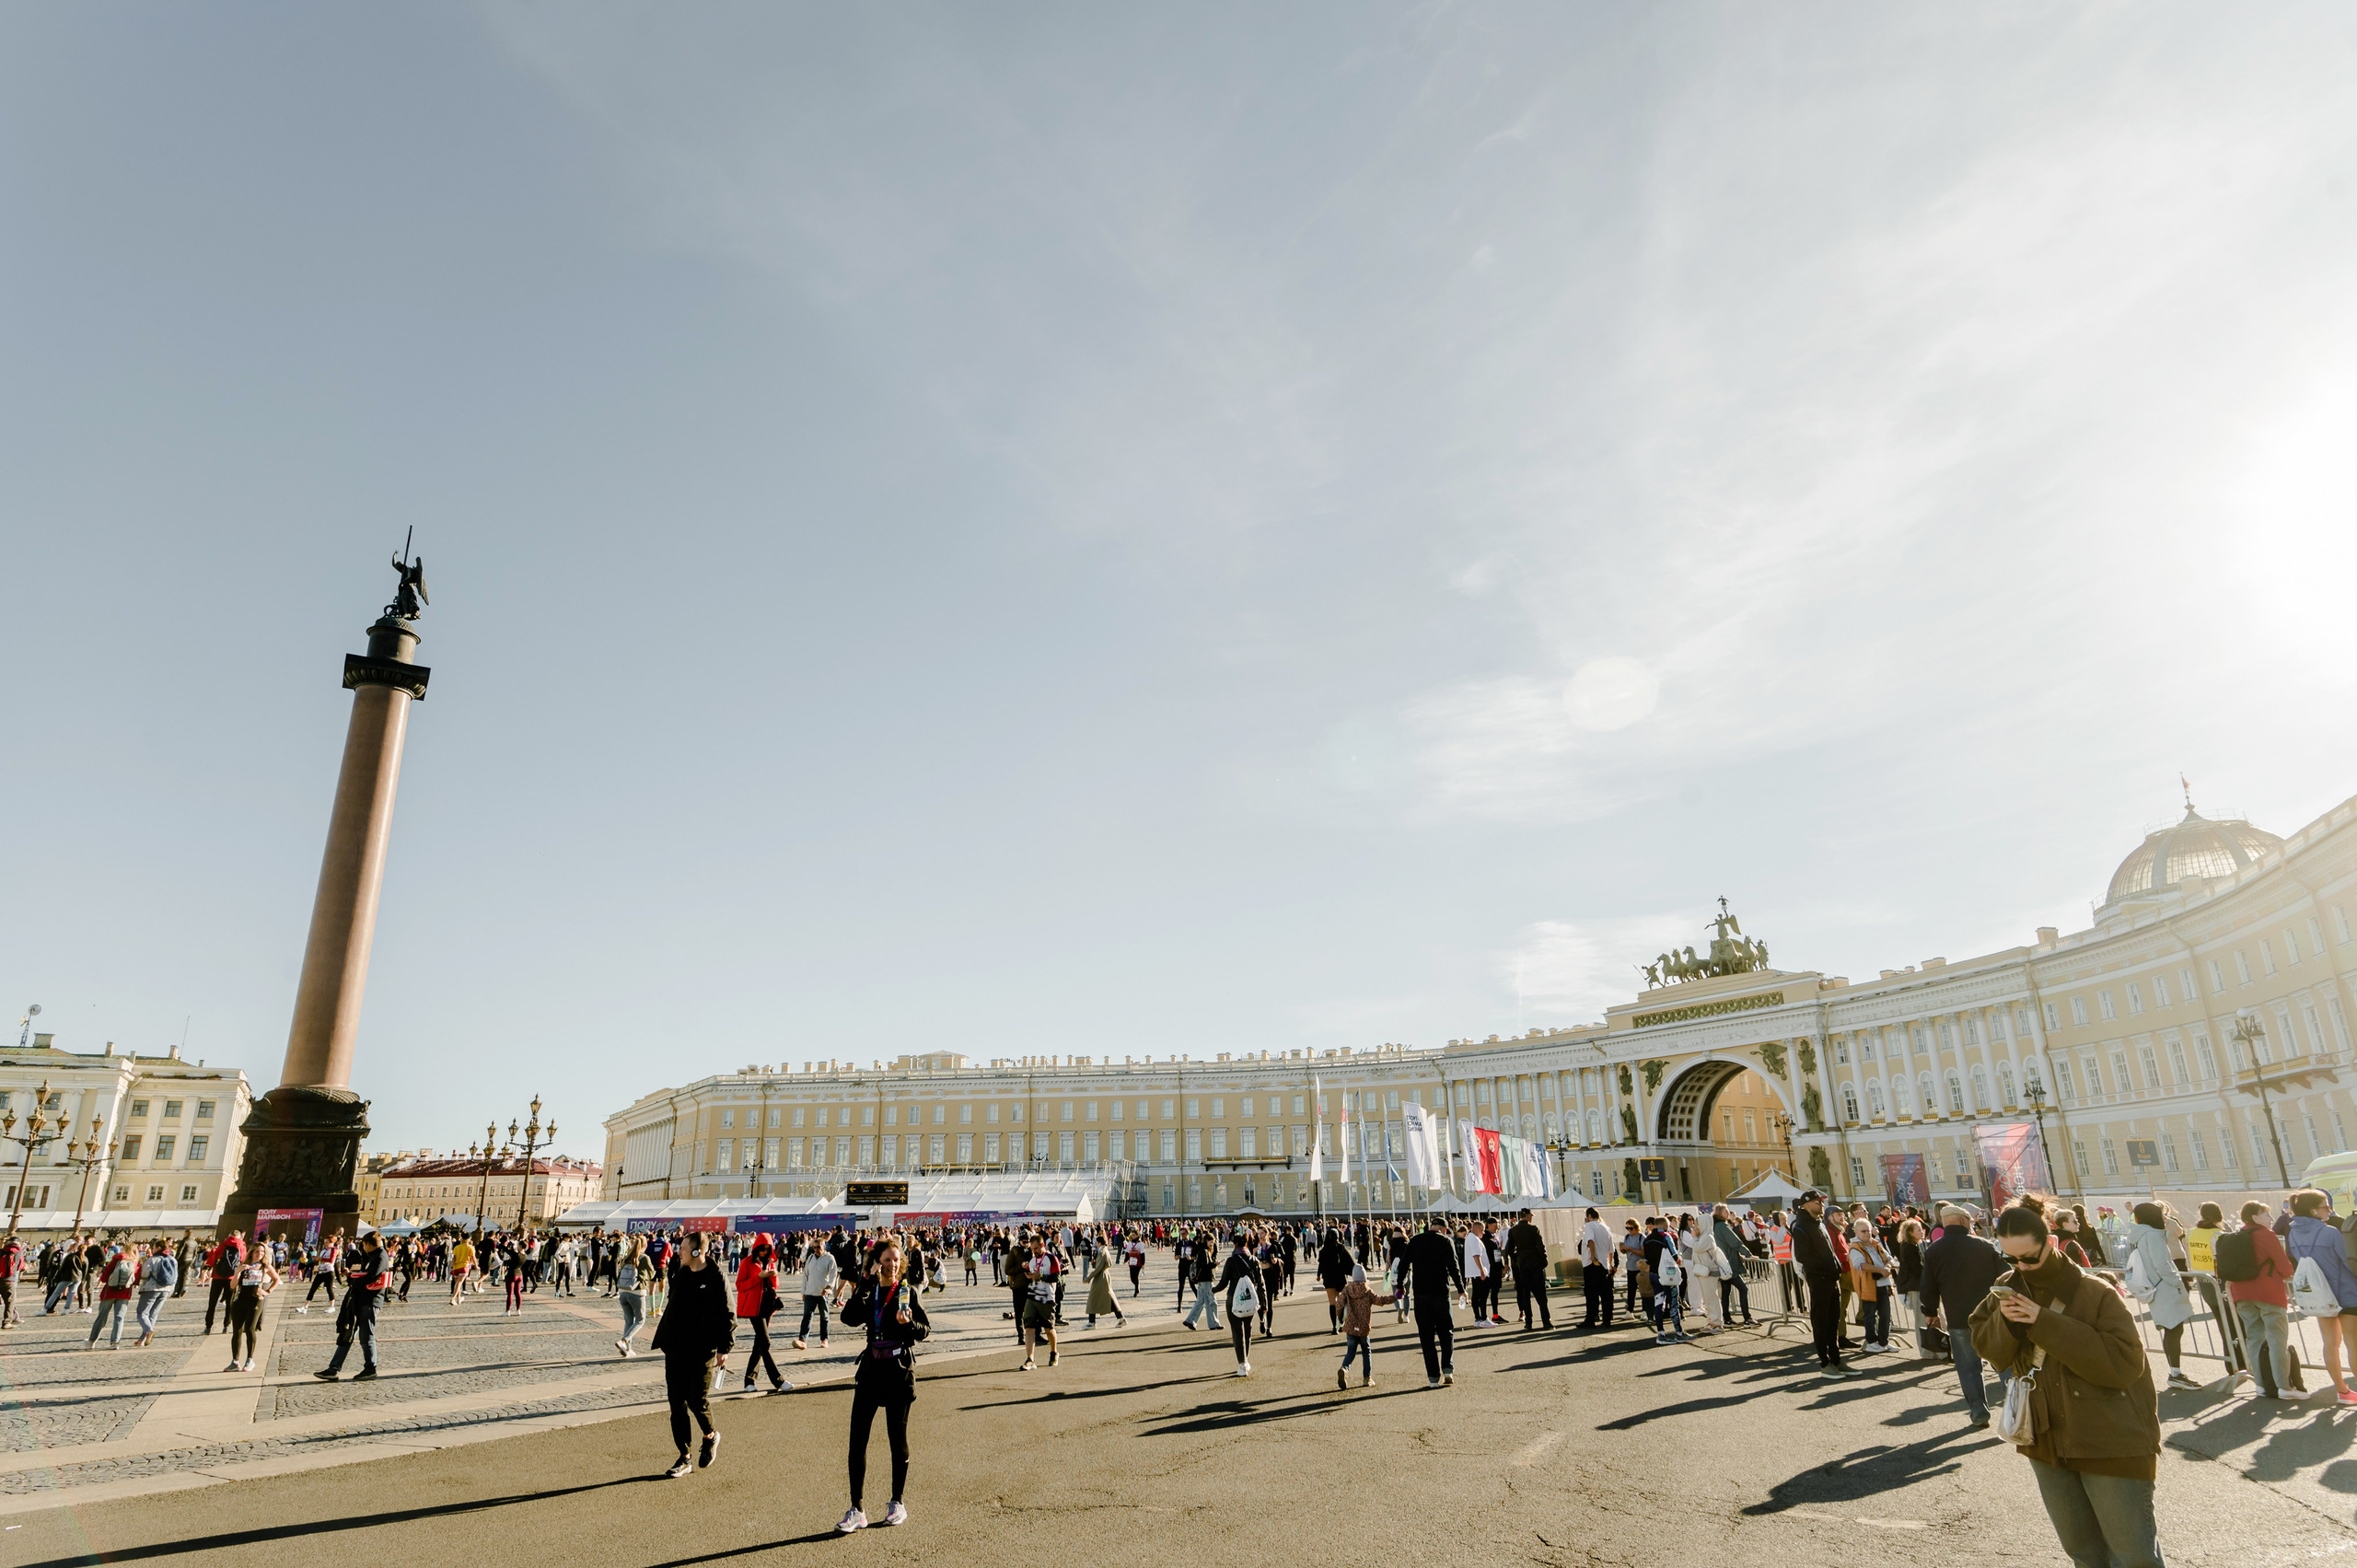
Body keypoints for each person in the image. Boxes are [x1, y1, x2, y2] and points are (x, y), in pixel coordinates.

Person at [1971, 1197, 2163, 1568]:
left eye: (2029, 1257)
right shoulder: (2007, 1286)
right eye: (2010, 1259)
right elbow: (1987, 1348)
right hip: (2045, 1440)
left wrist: (2042, 1322)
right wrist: (2007, 1323)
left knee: (2134, 1556)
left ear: (2052, 1243)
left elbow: (2124, 1365)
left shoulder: (2096, 1292)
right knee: (2084, 1554)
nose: (2021, 1267)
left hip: (2110, 1441)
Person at [836, 1238, 930, 1532]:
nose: (891, 1264)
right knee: (857, 1440)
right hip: (871, 1370)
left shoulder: (906, 1291)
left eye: (895, 1259)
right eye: (885, 1259)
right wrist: (865, 1281)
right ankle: (857, 1509)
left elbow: (924, 1330)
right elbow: (848, 1318)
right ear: (876, 1262)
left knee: (896, 1440)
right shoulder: (870, 1290)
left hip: (898, 1371)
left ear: (901, 1262)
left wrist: (908, 1325)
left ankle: (897, 1502)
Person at [651, 1233, 733, 1479]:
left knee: (697, 1399)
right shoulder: (681, 1273)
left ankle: (710, 1435)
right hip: (676, 1347)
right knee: (677, 1403)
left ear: (698, 1252)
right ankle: (684, 1456)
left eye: (684, 1249)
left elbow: (728, 1312)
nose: (679, 1252)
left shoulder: (716, 1276)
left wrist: (724, 1348)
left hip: (703, 1349)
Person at [1920, 1202, 2007, 1425]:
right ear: (1962, 1221)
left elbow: (1928, 1287)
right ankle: (2018, 1409)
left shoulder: (1934, 1250)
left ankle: (1979, 1412)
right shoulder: (1985, 1246)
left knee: (1969, 1368)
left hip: (1958, 1317)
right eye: (1969, 1220)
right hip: (1989, 1315)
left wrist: (1930, 1313)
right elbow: (2005, 1277)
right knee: (2004, 1362)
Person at [2284, 1189, 2357, 1403]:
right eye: (2326, 1205)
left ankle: (2342, 1391)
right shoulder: (2331, 1233)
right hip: (2346, 1294)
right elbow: (2348, 1262)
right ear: (2314, 1210)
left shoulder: (2293, 1233)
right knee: (2353, 1343)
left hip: (2319, 1295)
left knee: (2330, 1344)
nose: (2330, 1210)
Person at [2220, 1202, 2294, 1401]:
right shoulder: (2265, 1235)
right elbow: (2285, 1267)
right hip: (2268, 1292)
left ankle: (2261, 1385)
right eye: (2267, 1215)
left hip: (2242, 1292)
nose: (2271, 1219)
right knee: (2277, 1338)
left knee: (2254, 1338)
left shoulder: (2234, 1237)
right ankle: (2284, 1386)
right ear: (2255, 1217)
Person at [2123, 1202, 2198, 1392]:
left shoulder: (2141, 1235)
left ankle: (2175, 1372)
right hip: (2165, 1287)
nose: (2164, 1219)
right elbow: (2163, 1265)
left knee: (2171, 1330)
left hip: (2157, 1287)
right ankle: (2175, 1374)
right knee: (2174, 1329)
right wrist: (2176, 1282)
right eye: (2161, 1215)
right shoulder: (2153, 1235)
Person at [1789, 1190, 1851, 1377]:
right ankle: (1825, 1363)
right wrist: (1825, 1267)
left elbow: (1829, 1251)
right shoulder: (1801, 1226)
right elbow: (1802, 1256)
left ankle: (1836, 1360)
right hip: (1819, 1280)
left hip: (1831, 1279)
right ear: (1807, 1205)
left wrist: (1835, 1267)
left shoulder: (1819, 1224)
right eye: (1818, 1202)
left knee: (1833, 1322)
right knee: (1821, 1322)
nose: (1821, 1205)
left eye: (1822, 1202)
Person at [314, 1233, 389, 1381]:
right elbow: (366, 1273)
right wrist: (353, 1275)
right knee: (347, 1333)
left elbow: (370, 1277)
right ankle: (333, 1369)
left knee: (366, 1336)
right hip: (360, 1299)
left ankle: (370, 1368)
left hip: (370, 1301)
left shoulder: (380, 1256)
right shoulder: (373, 1256)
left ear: (367, 1244)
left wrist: (352, 1279)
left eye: (364, 1245)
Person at [1405, 1214, 1465, 1388]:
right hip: (1441, 1294)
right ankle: (1447, 1369)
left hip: (1421, 1295)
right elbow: (1454, 1267)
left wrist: (1401, 1286)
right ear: (1444, 1229)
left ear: (1430, 1226)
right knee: (1446, 1333)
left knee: (1426, 1337)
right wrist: (1461, 1290)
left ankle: (1432, 1378)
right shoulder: (1446, 1242)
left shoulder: (1415, 1241)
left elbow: (1404, 1264)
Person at [224, 1240, 279, 1372]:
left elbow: (277, 1279)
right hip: (241, 1299)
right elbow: (232, 1286)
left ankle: (250, 1359)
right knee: (237, 1330)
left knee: (250, 1328)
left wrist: (267, 1292)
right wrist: (238, 1272)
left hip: (256, 1299)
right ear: (252, 1253)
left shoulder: (265, 1266)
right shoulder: (244, 1265)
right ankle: (235, 1361)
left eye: (262, 1252)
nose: (260, 1254)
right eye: (257, 1252)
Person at [1847, 1216, 1894, 1353]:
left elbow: (1889, 1258)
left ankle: (1884, 1342)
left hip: (1883, 1284)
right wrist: (1881, 1270)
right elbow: (1860, 1264)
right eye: (1863, 1231)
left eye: (1868, 1230)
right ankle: (1871, 1342)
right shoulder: (1855, 1247)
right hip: (1868, 1286)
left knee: (1886, 1315)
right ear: (1856, 1232)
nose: (1867, 1233)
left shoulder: (1875, 1243)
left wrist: (1888, 1268)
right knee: (1870, 1316)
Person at [1218, 1236, 1264, 1376]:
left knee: (1237, 1331)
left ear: (1235, 1245)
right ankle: (1246, 1360)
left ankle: (1242, 1363)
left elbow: (1224, 1282)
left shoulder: (1231, 1261)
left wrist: (1213, 1290)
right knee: (1248, 1329)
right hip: (1250, 1300)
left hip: (1233, 1299)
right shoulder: (1254, 1260)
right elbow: (1261, 1284)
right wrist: (1264, 1303)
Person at [1019, 1235, 1062, 1371]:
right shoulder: (1032, 1260)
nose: (1034, 1251)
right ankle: (1030, 1359)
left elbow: (1056, 1277)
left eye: (1036, 1248)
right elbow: (1032, 1277)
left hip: (1047, 1297)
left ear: (1043, 1245)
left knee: (1048, 1328)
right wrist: (1028, 1274)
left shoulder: (1051, 1258)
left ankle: (1054, 1352)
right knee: (1029, 1327)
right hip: (1032, 1296)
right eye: (1032, 1249)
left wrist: (1041, 1276)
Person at [794, 1233, 841, 1351]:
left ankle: (824, 1339)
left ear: (824, 1246)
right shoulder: (810, 1258)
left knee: (824, 1317)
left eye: (818, 1247)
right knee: (807, 1316)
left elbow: (833, 1274)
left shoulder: (830, 1258)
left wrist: (829, 1287)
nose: (816, 1249)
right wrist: (803, 1291)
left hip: (822, 1292)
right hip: (810, 1291)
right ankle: (802, 1340)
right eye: (814, 1247)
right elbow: (805, 1275)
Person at [87, 1243, 138, 1349]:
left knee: (102, 1317)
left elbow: (105, 1277)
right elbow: (135, 1280)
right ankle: (115, 1342)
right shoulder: (135, 1262)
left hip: (110, 1291)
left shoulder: (117, 1259)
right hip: (125, 1293)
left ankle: (92, 1341)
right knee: (119, 1317)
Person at [1507, 1209, 1552, 1330]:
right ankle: (1546, 1321)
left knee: (1525, 1294)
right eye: (1530, 1216)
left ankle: (1529, 1322)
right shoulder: (1533, 1229)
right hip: (1535, 1263)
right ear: (1527, 1216)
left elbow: (1509, 1249)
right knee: (1541, 1294)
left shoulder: (1513, 1231)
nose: (1531, 1218)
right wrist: (1544, 1260)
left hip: (1523, 1264)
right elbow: (1540, 1245)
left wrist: (1517, 1260)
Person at [1713, 1204, 1758, 1326]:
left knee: (1726, 1292)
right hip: (1729, 1264)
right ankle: (1747, 1318)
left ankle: (1726, 1318)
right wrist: (1748, 1254)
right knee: (1743, 1289)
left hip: (1722, 1264)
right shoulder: (1722, 1226)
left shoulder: (1715, 1227)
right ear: (1720, 1213)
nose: (1728, 1213)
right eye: (1726, 1211)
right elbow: (1735, 1243)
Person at [1577, 1208, 1616, 1330]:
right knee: (1606, 1293)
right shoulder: (1606, 1228)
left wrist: (1593, 1256)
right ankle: (1607, 1319)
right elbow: (1611, 1249)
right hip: (1604, 1264)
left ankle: (1591, 1318)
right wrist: (1610, 1264)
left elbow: (1590, 1241)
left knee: (1591, 1293)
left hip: (1592, 1264)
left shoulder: (1589, 1226)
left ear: (1589, 1216)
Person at [616, 1237, 650, 1356]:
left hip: (623, 1292)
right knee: (640, 1320)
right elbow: (651, 1274)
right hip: (637, 1292)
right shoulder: (644, 1258)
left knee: (628, 1321)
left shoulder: (627, 1257)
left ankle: (628, 1349)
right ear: (645, 1245)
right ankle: (623, 1341)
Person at [1318, 1228, 1353, 1332]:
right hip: (1340, 1277)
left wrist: (1319, 1275)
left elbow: (1321, 1264)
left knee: (1332, 1302)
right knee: (1341, 1301)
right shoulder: (1341, 1248)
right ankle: (1341, 1323)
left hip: (1329, 1278)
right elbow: (1350, 1262)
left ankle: (1334, 1327)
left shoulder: (1323, 1251)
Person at [1085, 1248, 1126, 1329]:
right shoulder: (1104, 1250)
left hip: (1101, 1278)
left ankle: (1092, 1322)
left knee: (1093, 1299)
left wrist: (1089, 1277)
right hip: (1103, 1277)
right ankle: (1121, 1318)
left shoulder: (1102, 1251)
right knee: (1109, 1298)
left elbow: (1098, 1268)